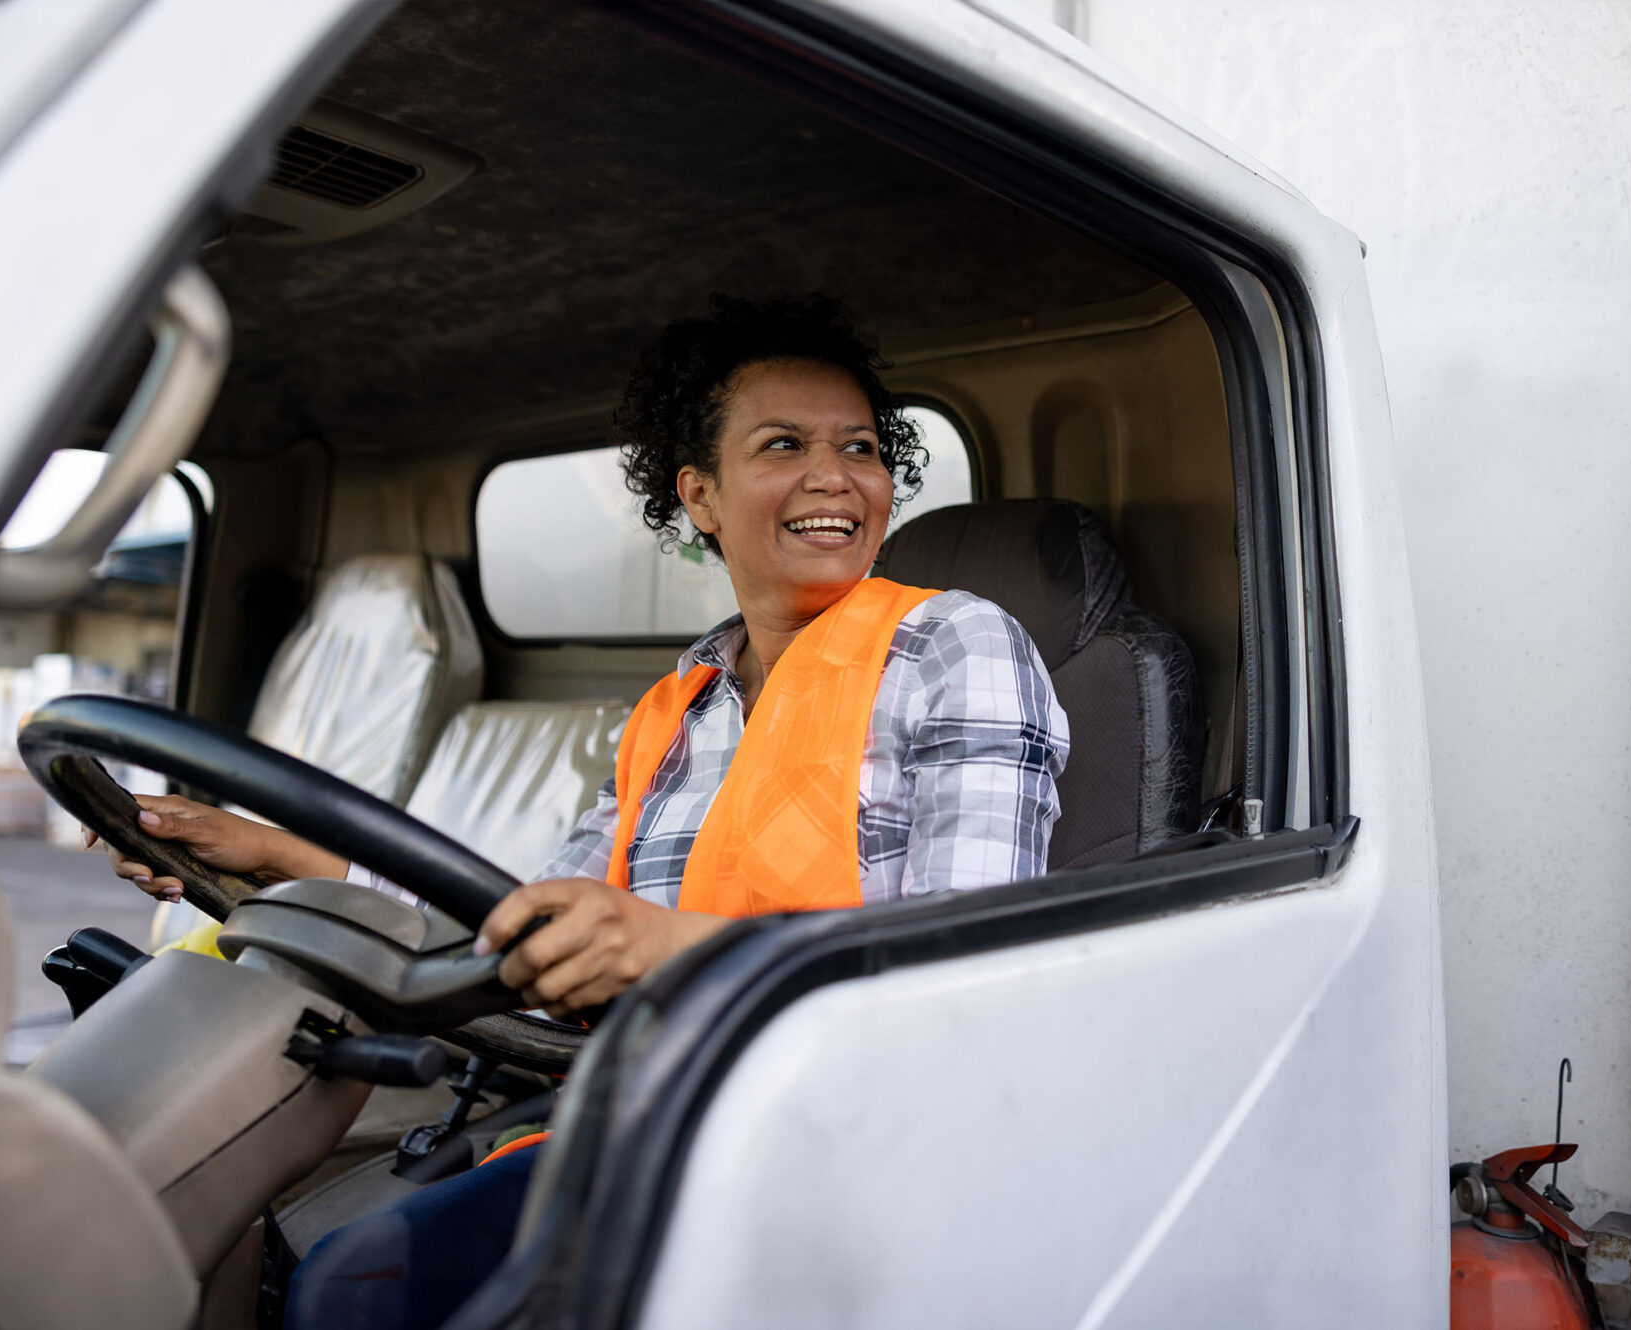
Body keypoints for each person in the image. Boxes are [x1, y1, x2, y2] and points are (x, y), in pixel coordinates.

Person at [92, 293, 1069, 1327]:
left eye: (861, 447)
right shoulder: (677, 702)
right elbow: (531, 915)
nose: (835, 476)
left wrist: (668, 948)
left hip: (833, 1141)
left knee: (352, 1292)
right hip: (634, 1111)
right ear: (700, 493)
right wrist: (296, 864)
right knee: (336, 1269)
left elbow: (973, 963)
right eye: (783, 444)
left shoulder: (957, 645)